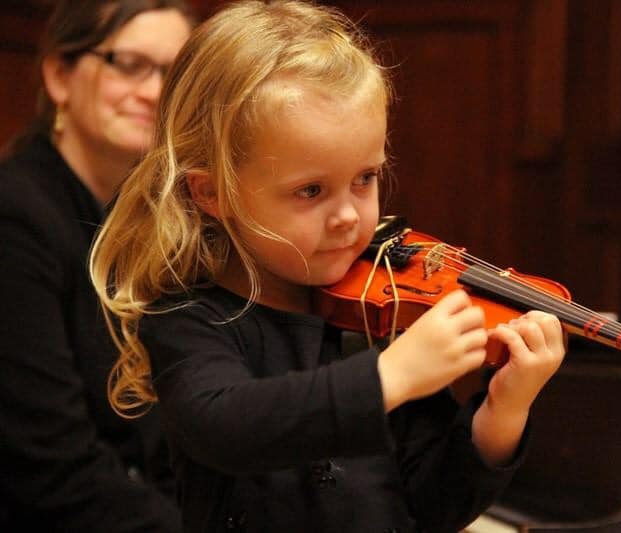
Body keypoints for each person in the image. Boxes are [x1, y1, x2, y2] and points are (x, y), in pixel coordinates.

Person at [89, 1, 565, 531]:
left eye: (364, 179)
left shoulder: (373, 313)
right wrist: (390, 376)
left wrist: (502, 412)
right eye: (310, 190)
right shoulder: (190, 319)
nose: (347, 216)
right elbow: (225, 424)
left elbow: (433, 507)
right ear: (213, 192)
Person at [0, 1, 193, 531]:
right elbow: (50, 469)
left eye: (172, 74)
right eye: (129, 64)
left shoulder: (146, 218)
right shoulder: (15, 214)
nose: (154, 92)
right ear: (59, 76)